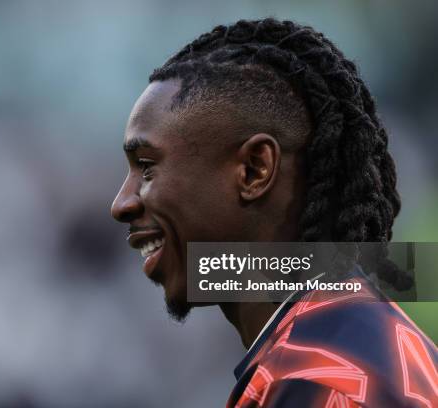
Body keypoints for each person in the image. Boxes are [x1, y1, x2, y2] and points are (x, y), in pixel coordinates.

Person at [111, 18, 437, 407]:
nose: (122, 203)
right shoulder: (366, 337)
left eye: (147, 167)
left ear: (254, 170)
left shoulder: (319, 383)